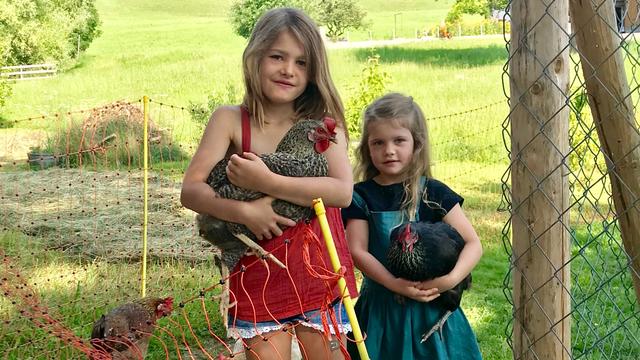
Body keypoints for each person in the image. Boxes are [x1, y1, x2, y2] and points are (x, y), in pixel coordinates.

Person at [180, 7, 357, 360]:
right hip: (258, 271)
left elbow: (342, 191)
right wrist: (245, 212)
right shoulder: (229, 120)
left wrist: (268, 181)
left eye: (302, 62)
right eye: (278, 56)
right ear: (255, 58)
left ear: (313, 71)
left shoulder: (322, 124)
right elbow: (191, 190)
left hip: (317, 269)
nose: (289, 69)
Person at [342, 93, 483, 359]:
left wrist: (449, 281)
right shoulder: (361, 196)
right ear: (367, 148)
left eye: (399, 140)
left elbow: (473, 244)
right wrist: (394, 284)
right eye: (378, 143)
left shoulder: (434, 193)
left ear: (416, 144)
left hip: (433, 306)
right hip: (382, 308)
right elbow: (357, 250)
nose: (389, 150)